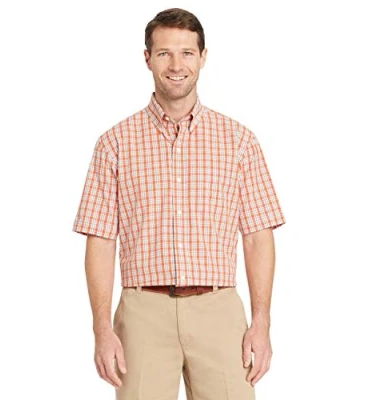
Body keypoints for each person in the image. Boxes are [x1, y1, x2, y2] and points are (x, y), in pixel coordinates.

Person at [72, 7, 286, 400]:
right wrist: (101, 329)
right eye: (164, 53)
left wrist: (262, 322)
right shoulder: (114, 144)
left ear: (203, 57)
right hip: (142, 313)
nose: (176, 65)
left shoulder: (239, 141)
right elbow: (100, 240)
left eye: (187, 53)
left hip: (219, 310)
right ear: (147, 58)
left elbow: (258, 237)